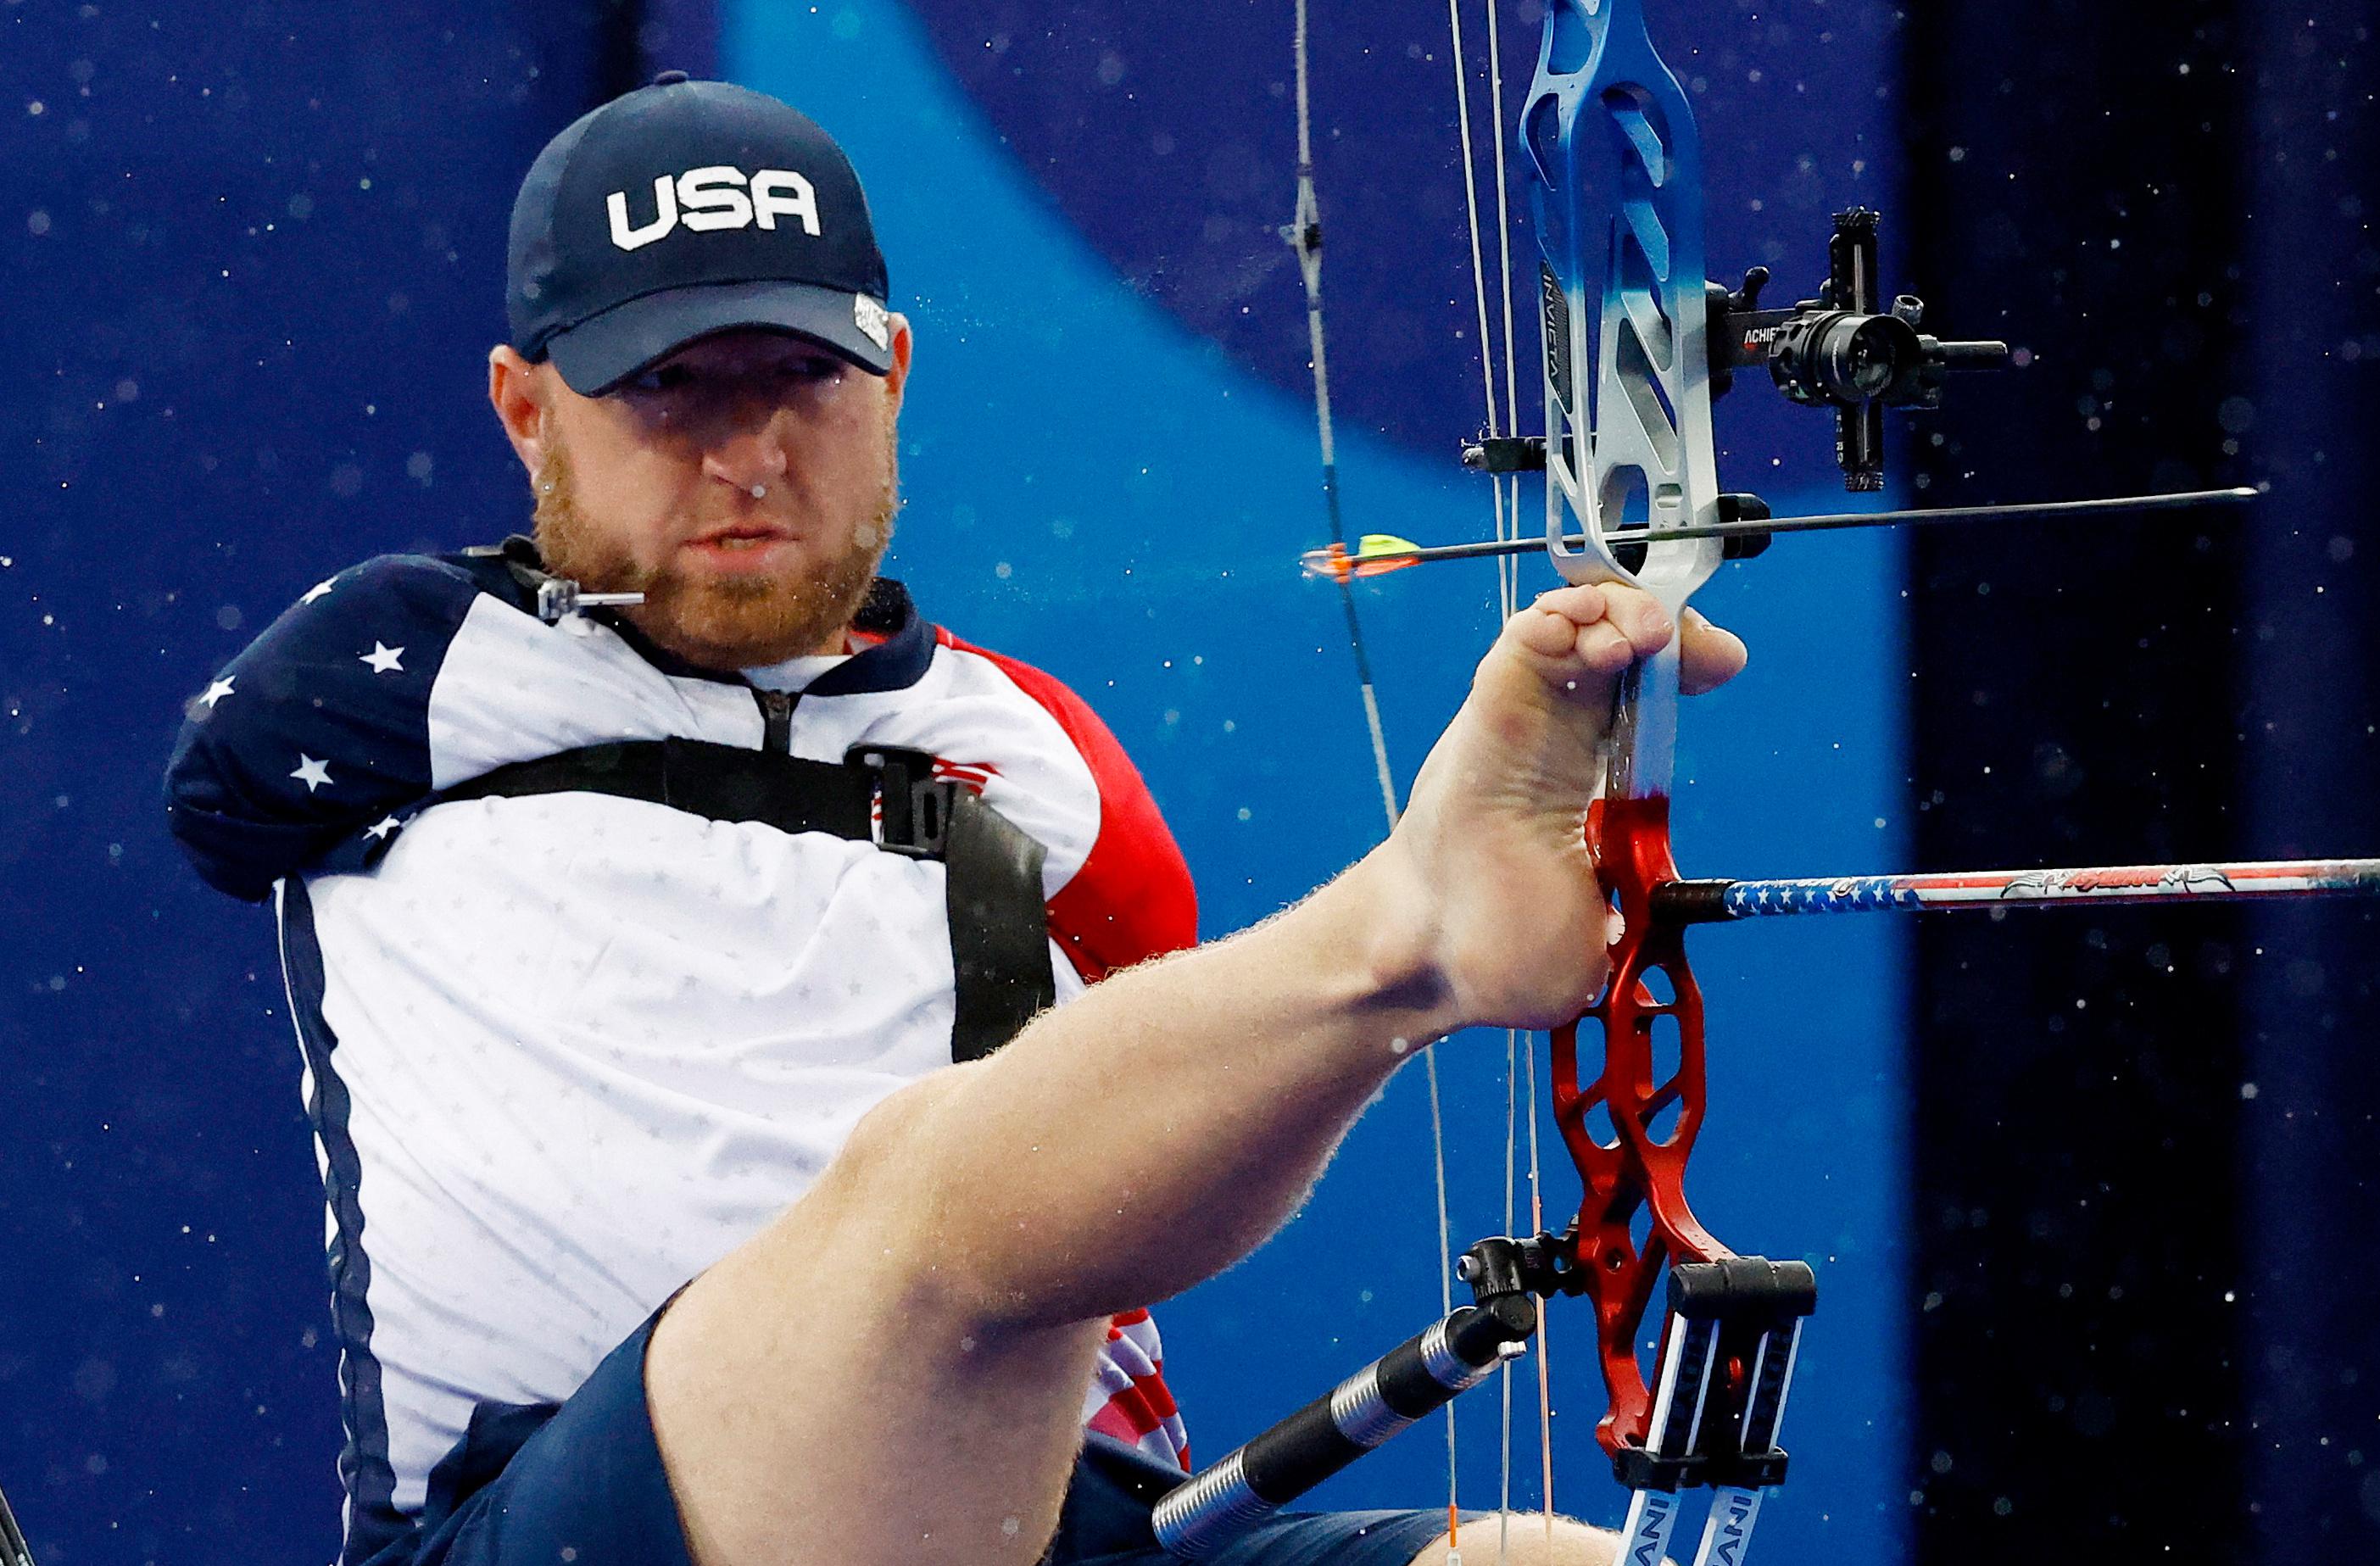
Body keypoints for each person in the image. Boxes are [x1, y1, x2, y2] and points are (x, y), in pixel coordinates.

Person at [163, 73, 1747, 1566]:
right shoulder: (397, 676)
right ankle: (1412, 933)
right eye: (663, 388)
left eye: (798, 376)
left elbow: (1124, 1159)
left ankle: (1412, 950)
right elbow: (217, 807)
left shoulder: (1032, 747)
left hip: (1064, 1516)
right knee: (923, 1183)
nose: (746, 452)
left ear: (893, 374)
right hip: (580, 1515)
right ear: (525, 412)